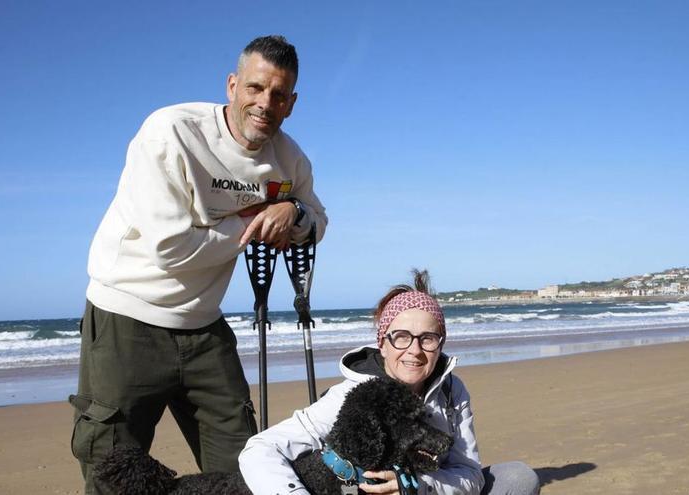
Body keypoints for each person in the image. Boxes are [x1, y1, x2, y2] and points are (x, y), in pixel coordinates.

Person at [70, 35, 327, 494]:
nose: (264, 103)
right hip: (127, 318)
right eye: (254, 88)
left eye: (278, 94)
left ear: (292, 102)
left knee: (248, 467)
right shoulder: (170, 132)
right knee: (113, 470)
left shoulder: (289, 160)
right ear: (232, 85)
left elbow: (317, 221)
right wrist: (254, 218)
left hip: (205, 327)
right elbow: (170, 247)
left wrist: (295, 212)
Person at [239, 270, 541, 494]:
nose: (414, 350)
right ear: (382, 344)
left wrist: (419, 486)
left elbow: (469, 474)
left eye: (428, 338)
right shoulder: (353, 396)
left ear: (441, 343)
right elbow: (260, 448)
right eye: (401, 337)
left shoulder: (452, 391)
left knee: (518, 478)